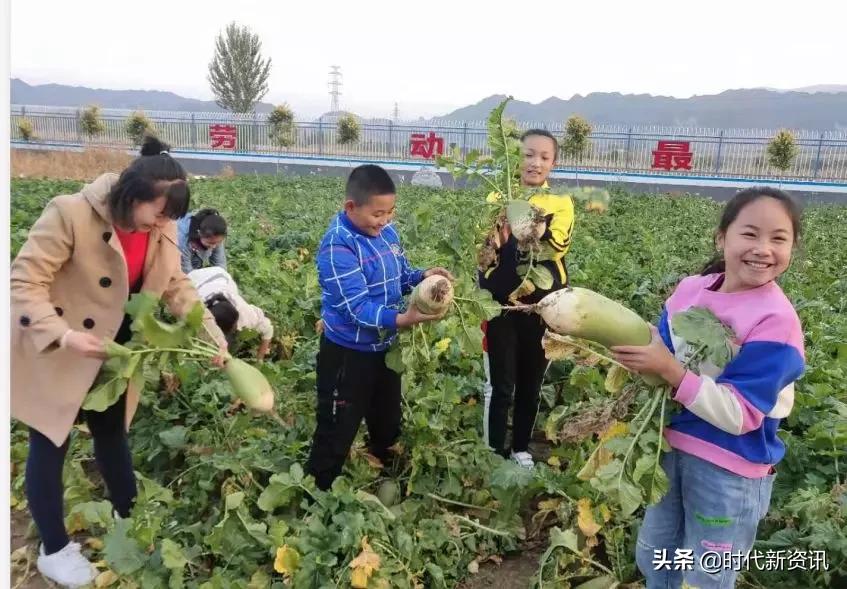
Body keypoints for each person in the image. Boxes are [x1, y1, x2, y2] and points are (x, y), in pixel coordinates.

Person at [10, 136, 228, 588]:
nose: (162, 225)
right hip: (60, 346)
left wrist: (213, 338)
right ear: (131, 196)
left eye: (170, 218)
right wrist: (65, 335)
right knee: (51, 441)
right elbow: (23, 282)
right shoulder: (69, 212)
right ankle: (54, 548)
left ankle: (129, 516)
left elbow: (177, 287)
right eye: (158, 214)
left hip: (114, 351)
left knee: (111, 433)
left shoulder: (161, 226)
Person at [612, 187, 805, 589]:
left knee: (707, 572)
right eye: (750, 234)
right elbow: (662, 347)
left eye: (778, 238)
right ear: (722, 238)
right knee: (657, 553)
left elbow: (741, 414)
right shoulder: (690, 290)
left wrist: (670, 370)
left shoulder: (777, 321)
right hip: (669, 451)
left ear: (792, 248)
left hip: (729, 470)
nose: (763, 248)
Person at [305, 164, 454, 491]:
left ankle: (380, 465)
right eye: (377, 214)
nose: (384, 220)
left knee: (387, 420)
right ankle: (318, 490)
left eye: (389, 212)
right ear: (351, 208)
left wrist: (422, 277)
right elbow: (356, 308)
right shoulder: (338, 247)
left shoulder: (387, 234)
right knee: (337, 425)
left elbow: (398, 276)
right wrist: (402, 320)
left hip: (384, 349)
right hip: (347, 353)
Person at [480, 129, 575, 468]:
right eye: (528, 154)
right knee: (500, 384)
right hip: (501, 304)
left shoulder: (561, 203)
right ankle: (492, 451)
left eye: (544, 157)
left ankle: (520, 447)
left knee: (531, 383)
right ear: (514, 158)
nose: (535, 163)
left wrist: (529, 222)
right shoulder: (494, 198)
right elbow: (487, 250)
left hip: (541, 306)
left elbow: (557, 245)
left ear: (553, 163)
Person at [188, 266, 274, 360]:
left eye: (235, 326)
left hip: (219, 274)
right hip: (192, 279)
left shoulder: (244, 312)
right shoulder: (194, 311)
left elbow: (268, 329)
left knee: (230, 340)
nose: (236, 328)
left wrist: (259, 360)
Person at [177, 207, 228, 274]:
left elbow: (220, 265)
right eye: (210, 243)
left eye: (218, 242)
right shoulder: (183, 241)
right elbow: (187, 272)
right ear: (199, 233)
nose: (214, 246)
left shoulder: (216, 236)